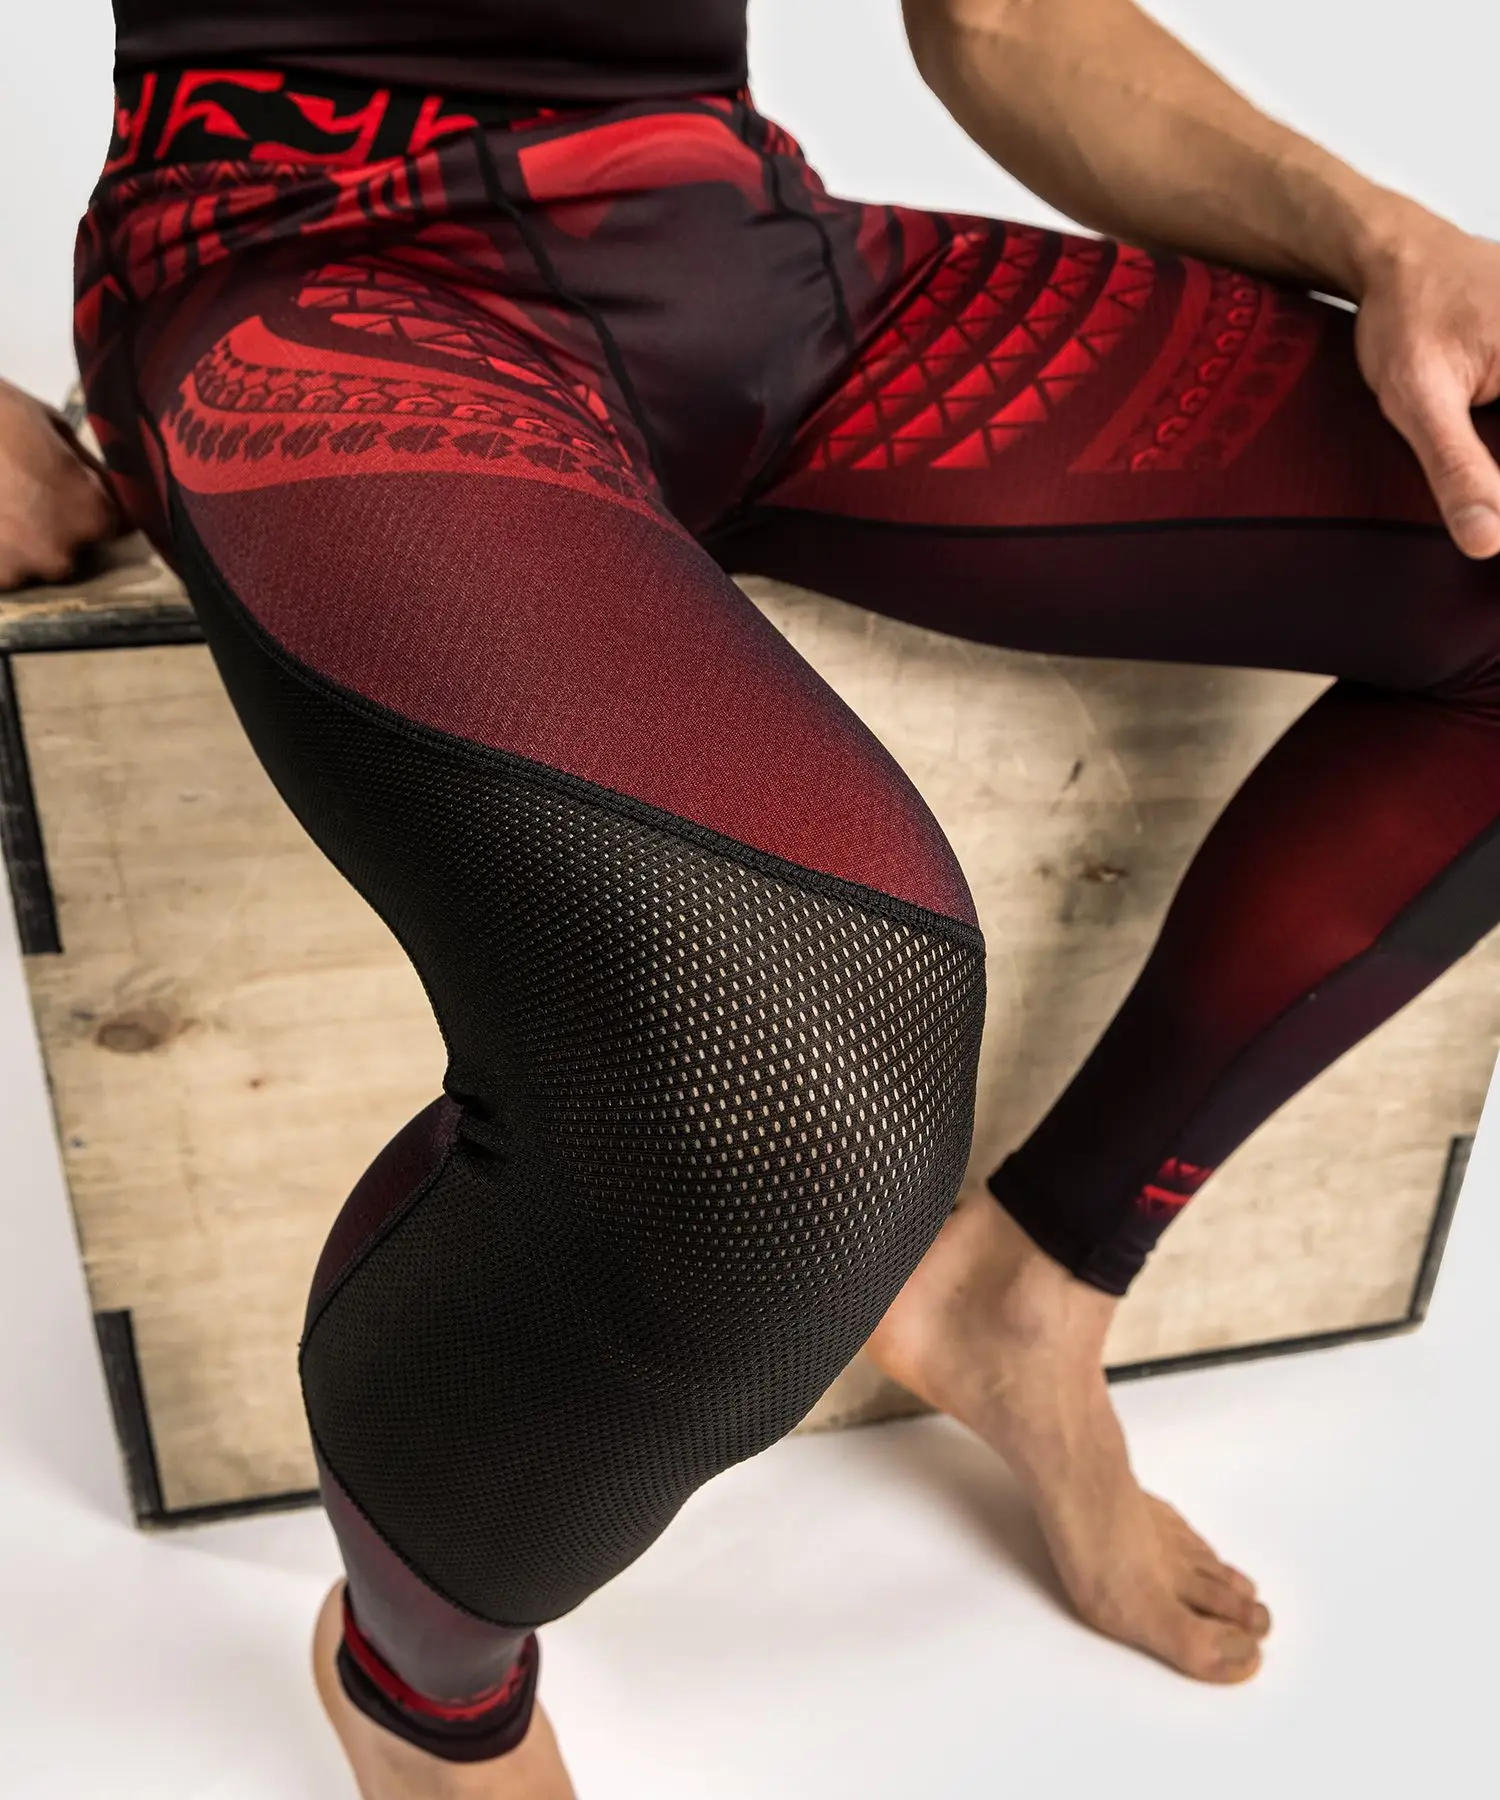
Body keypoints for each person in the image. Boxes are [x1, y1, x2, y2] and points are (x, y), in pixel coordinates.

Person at [4, 0, 1499, 1793]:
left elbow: (1003, 18)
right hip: (313, 284)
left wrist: (1382, 236)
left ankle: (1028, 1297)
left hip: (744, 269)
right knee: (785, 1080)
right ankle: (423, 1699)